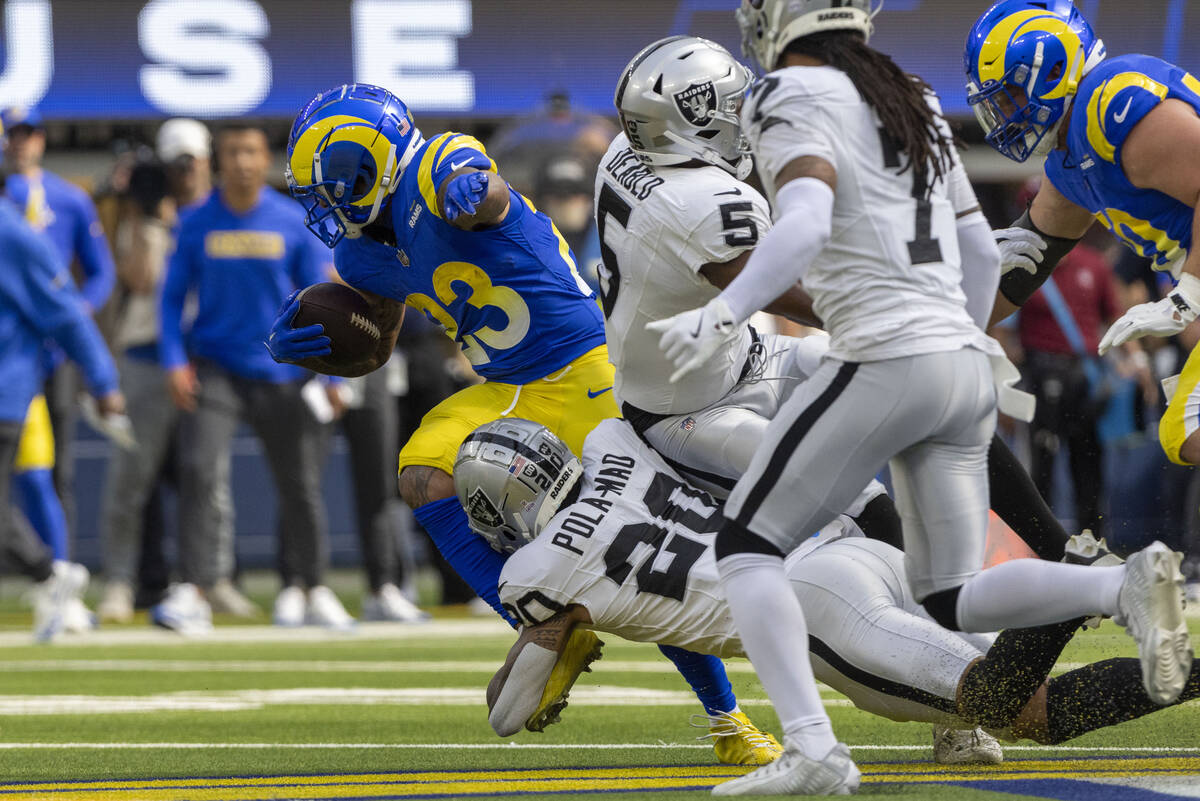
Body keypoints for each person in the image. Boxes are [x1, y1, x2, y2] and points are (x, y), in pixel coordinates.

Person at [649, 1, 1191, 794]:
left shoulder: (791, 95)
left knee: (745, 546)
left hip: (883, 353)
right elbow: (986, 246)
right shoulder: (911, 98)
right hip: (948, 362)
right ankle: (1115, 583)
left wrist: (725, 311)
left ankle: (812, 750)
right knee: (951, 591)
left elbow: (800, 225)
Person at [267, 84, 778, 764]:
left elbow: (482, 190)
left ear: (374, 159)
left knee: (641, 547)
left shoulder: (436, 163)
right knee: (421, 472)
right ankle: (546, 622)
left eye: (335, 185)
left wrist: (467, 187)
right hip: (510, 387)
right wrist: (321, 343)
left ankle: (730, 720)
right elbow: (381, 336)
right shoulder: (361, 254)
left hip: (590, 367)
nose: (328, 204)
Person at [465, 418, 1200, 765]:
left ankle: (1090, 593)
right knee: (1016, 700)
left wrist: (551, 638)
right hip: (855, 544)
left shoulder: (535, 576)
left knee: (1016, 708)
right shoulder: (609, 442)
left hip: (812, 606)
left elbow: (508, 714)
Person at [963, 0, 1200, 469]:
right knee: (1185, 429)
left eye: (1008, 97)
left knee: (1188, 428)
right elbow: (1022, 270)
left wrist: (1187, 291)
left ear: (1051, 69)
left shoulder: (1111, 102)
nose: (1003, 116)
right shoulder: (1071, 160)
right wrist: (941, 329)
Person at [157, 123, 347, 633]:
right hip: (216, 369)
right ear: (218, 161)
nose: (242, 161)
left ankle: (311, 587)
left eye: (251, 152)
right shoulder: (195, 221)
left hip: (282, 371)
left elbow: (323, 303)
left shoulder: (292, 219)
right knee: (197, 470)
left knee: (300, 484)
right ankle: (194, 590)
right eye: (232, 152)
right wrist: (175, 360)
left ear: (266, 161)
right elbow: (171, 298)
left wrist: (333, 377)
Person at [97, 118, 254, 624]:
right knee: (131, 477)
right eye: (176, 163)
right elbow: (140, 281)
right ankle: (118, 582)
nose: (186, 172)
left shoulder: (220, 215)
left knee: (212, 478)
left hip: (207, 354)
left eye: (192, 160)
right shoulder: (148, 214)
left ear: (208, 161)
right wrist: (146, 217)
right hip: (147, 354)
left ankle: (214, 579)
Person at [0, 141, 125, 640]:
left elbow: (66, 310)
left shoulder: (12, 233)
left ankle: (49, 573)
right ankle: (49, 573)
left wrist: (104, 381)